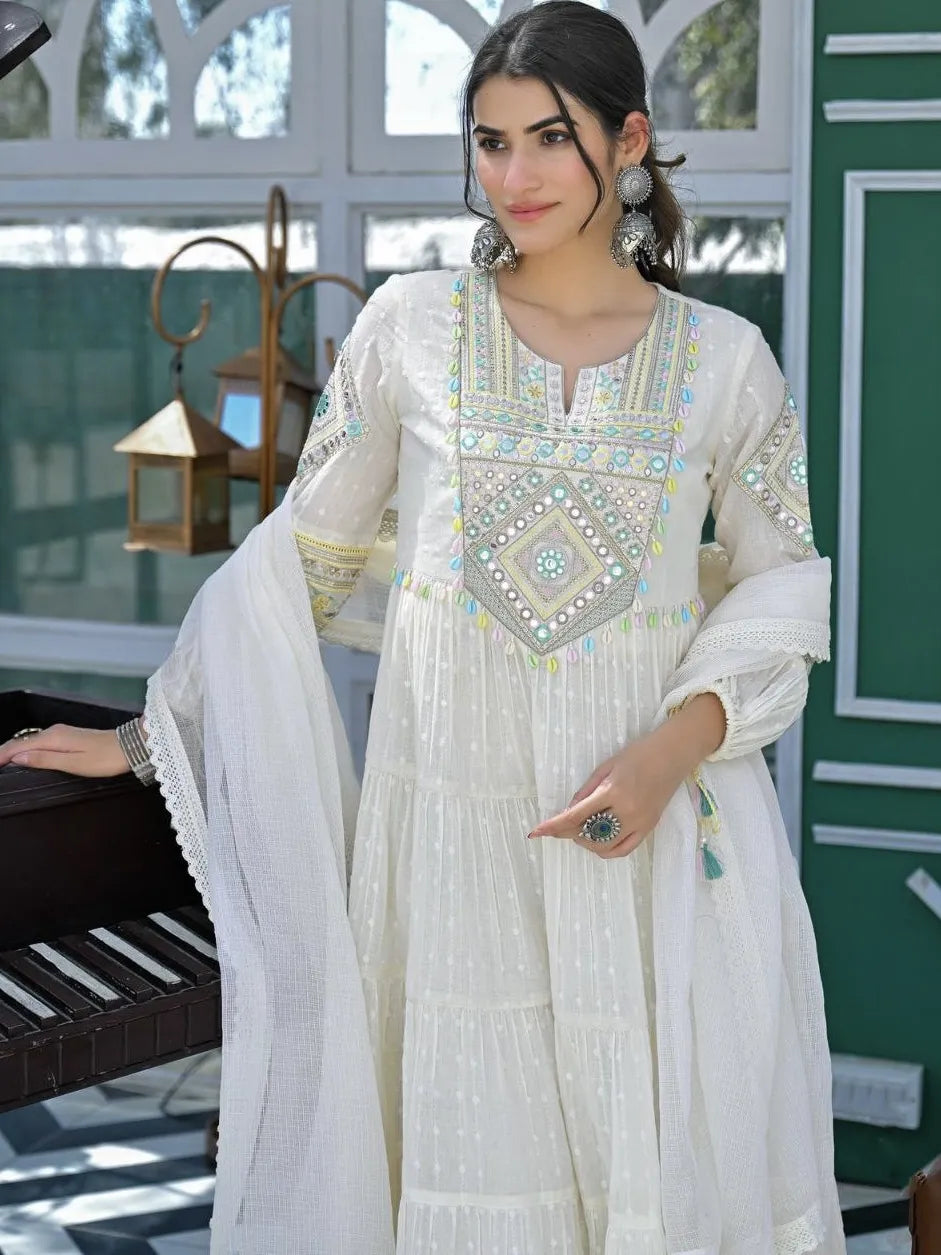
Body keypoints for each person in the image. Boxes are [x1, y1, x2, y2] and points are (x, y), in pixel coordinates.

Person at [0, 4, 846, 1252]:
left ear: (628, 143)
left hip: (645, 841)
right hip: (447, 842)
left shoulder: (725, 362)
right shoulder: (410, 329)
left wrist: (670, 752)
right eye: (490, 141)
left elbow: (782, 588)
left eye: (548, 138)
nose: (513, 175)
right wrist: (147, 737)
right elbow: (296, 564)